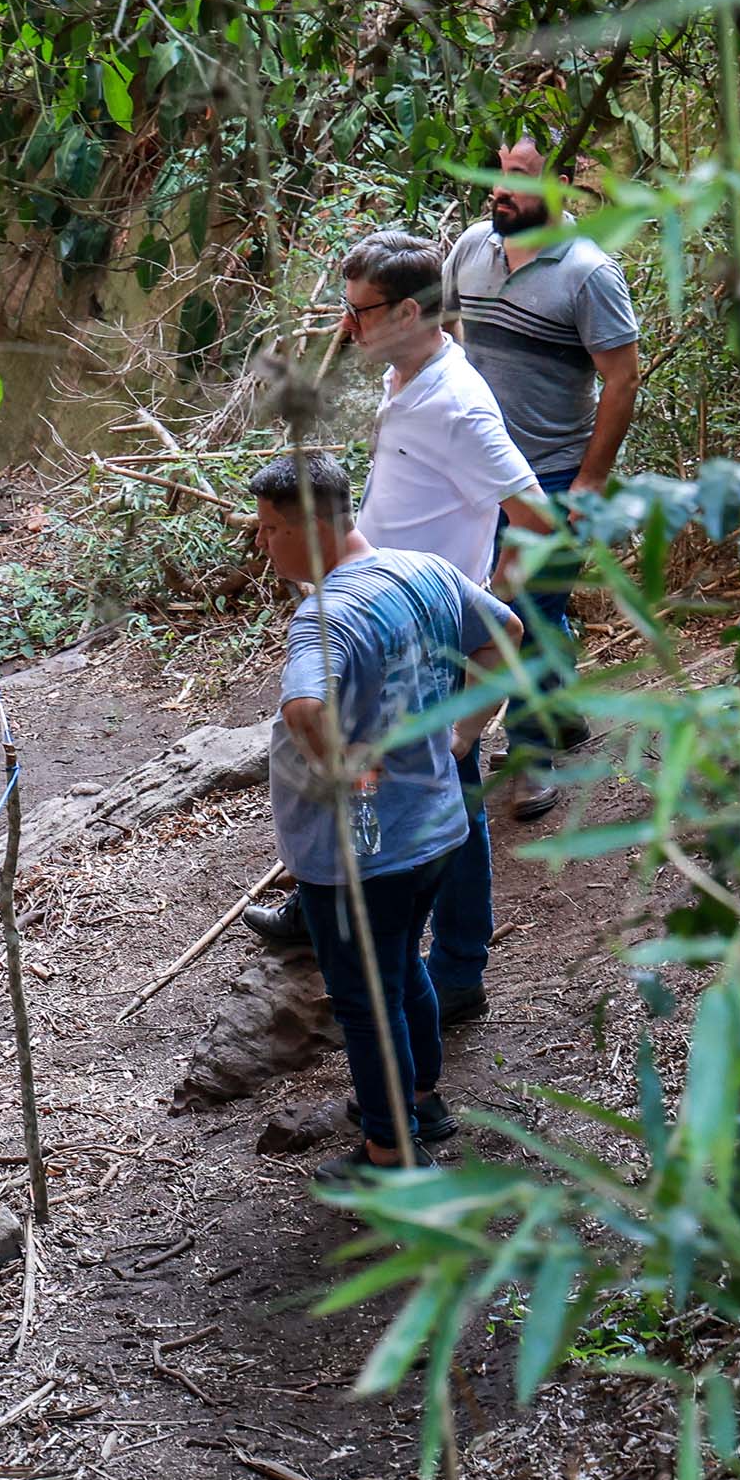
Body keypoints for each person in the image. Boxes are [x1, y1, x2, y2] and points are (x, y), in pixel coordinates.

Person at [245, 228, 549, 1032]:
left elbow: (538, 519)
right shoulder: (406, 374)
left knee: (453, 788)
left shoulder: (457, 406)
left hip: (428, 624)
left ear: (410, 311)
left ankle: (456, 969)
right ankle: (328, 911)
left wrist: (478, 598)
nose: (345, 327)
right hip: (375, 607)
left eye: (358, 312)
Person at [245, 452, 521, 1183]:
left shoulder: (324, 618)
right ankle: (420, 1103)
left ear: (310, 527)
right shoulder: (423, 571)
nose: (262, 542)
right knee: (403, 970)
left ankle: (391, 1155)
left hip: (366, 851)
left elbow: (306, 705)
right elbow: (507, 633)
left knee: (367, 1003)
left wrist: (344, 770)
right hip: (436, 825)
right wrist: (466, 731)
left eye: (271, 528)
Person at [443, 138, 645, 819]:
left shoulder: (588, 274)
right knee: (490, 606)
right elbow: (443, 331)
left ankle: (529, 753)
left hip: (550, 474)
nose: (499, 188)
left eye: (519, 178)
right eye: (497, 171)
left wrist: (589, 483)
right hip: (476, 476)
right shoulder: (473, 249)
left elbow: (621, 381)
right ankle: (559, 711)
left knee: (529, 611)